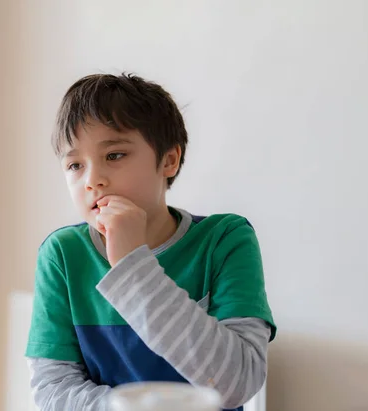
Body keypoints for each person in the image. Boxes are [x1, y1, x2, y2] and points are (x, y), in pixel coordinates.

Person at [25, 73, 276, 411]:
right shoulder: (63, 254)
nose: (92, 180)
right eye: (74, 165)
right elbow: (52, 391)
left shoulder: (225, 240)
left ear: (169, 160)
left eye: (114, 155)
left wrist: (132, 265)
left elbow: (237, 383)